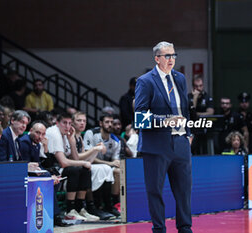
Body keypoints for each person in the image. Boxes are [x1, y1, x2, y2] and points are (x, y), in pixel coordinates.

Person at [135, 41, 193, 233]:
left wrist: (188, 134)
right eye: (167, 56)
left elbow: (185, 109)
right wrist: (165, 120)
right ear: (157, 58)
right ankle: (159, 229)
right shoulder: (146, 81)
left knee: (184, 191)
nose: (171, 60)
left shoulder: (180, 79)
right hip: (156, 145)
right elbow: (140, 117)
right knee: (155, 191)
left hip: (180, 143)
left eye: (174, 55)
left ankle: (185, 228)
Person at [46, 112, 99, 221]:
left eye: (69, 123)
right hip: (49, 167)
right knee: (74, 170)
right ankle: (70, 210)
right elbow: (63, 163)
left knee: (85, 170)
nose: (67, 126)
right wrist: (84, 163)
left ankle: (80, 208)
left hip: (58, 167)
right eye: (64, 123)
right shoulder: (54, 133)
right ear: (57, 123)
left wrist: (71, 141)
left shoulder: (67, 134)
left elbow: (75, 158)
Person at [72, 112, 117, 220]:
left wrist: (96, 150)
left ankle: (106, 206)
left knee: (105, 169)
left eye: (84, 121)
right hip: (70, 167)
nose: (82, 123)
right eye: (79, 120)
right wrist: (95, 149)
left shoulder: (79, 137)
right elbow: (75, 157)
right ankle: (92, 206)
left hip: (80, 165)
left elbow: (87, 159)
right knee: (97, 169)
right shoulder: (73, 136)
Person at [83, 113, 121, 217]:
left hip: (104, 166)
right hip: (89, 164)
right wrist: (109, 163)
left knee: (117, 171)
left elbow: (115, 161)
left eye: (112, 122)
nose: (110, 125)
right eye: (107, 122)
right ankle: (96, 205)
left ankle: (112, 204)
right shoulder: (91, 133)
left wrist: (114, 164)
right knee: (104, 169)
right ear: (100, 123)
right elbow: (87, 157)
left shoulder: (116, 141)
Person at [188, 77, 214, 154]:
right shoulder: (188, 97)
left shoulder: (207, 97)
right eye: (196, 86)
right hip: (192, 128)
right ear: (193, 86)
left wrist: (197, 114)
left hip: (204, 128)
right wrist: (195, 98)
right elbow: (191, 112)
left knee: (204, 150)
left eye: (200, 86)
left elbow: (210, 112)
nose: (199, 88)